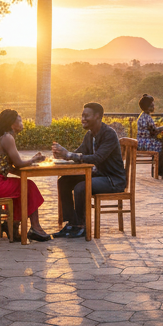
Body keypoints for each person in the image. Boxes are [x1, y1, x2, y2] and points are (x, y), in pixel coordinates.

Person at [51, 102, 126, 239]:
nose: (83, 119)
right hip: (98, 176)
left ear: (98, 116)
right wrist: (63, 155)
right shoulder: (89, 136)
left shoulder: (109, 134)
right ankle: (71, 223)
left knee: (81, 187)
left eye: (86, 116)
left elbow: (97, 158)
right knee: (64, 182)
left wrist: (69, 155)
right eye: (82, 116)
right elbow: (79, 154)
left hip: (113, 180)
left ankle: (81, 226)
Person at [0, 109, 51, 241]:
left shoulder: (4, 138)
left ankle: (12, 226)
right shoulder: (8, 138)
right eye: (19, 120)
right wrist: (34, 160)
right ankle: (35, 227)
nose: (22, 123)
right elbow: (19, 163)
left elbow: (10, 167)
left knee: (23, 187)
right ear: (12, 124)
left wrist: (28, 166)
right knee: (28, 186)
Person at [137, 94, 163, 177]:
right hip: (145, 142)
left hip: (144, 141)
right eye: (152, 106)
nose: (154, 107)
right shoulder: (146, 117)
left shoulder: (143, 116)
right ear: (147, 107)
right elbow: (154, 131)